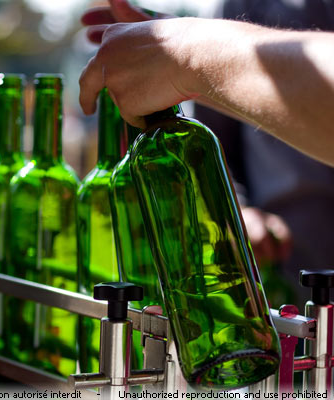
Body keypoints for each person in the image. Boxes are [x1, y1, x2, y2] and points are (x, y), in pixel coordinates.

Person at [78, 0, 334, 303]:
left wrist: (186, 50)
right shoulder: (245, 5)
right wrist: (241, 211)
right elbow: (221, 150)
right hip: (288, 294)